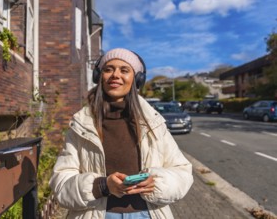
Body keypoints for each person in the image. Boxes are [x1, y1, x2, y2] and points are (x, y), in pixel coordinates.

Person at [49, 48, 193, 219]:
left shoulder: (153, 124)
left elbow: (182, 172)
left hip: (148, 214)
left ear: (137, 79)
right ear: (99, 76)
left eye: (124, 70)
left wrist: (158, 182)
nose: (115, 75)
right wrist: (102, 186)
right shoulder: (81, 126)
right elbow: (61, 184)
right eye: (108, 69)